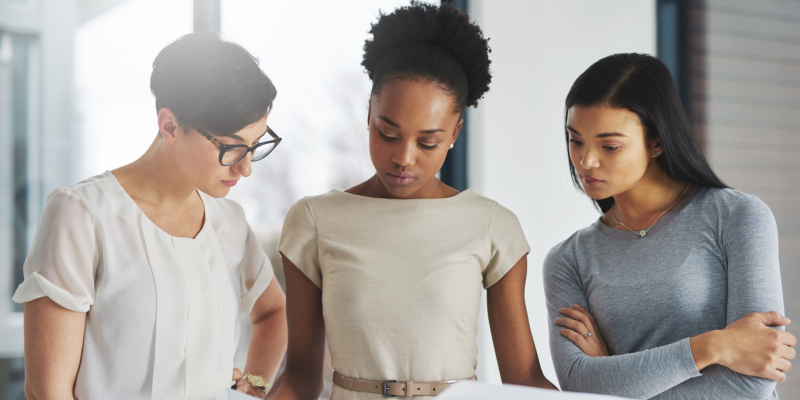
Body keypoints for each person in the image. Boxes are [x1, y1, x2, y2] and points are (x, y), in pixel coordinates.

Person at [269, 3, 555, 399]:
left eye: (428, 141)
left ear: (455, 131)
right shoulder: (314, 219)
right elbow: (299, 377)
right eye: (388, 133)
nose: (404, 157)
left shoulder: (491, 225)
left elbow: (523, 379)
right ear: (369, 113)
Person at [13, 32, 287, 399]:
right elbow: (48, 392)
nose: (246, 169)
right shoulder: (81, 214)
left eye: (255, 147)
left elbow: (273, 312)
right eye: (232, 148)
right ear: (170, 126)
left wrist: (254, 385)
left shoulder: (231, 223)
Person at [544, 53, 796, 399]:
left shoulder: (738, 217)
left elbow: (751, 383)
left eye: (610, 145)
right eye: (576, 140)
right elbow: (579, 384)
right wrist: (712, 346)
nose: (586, 160)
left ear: (657, 142)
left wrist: (616, 375)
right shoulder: (568, 260)